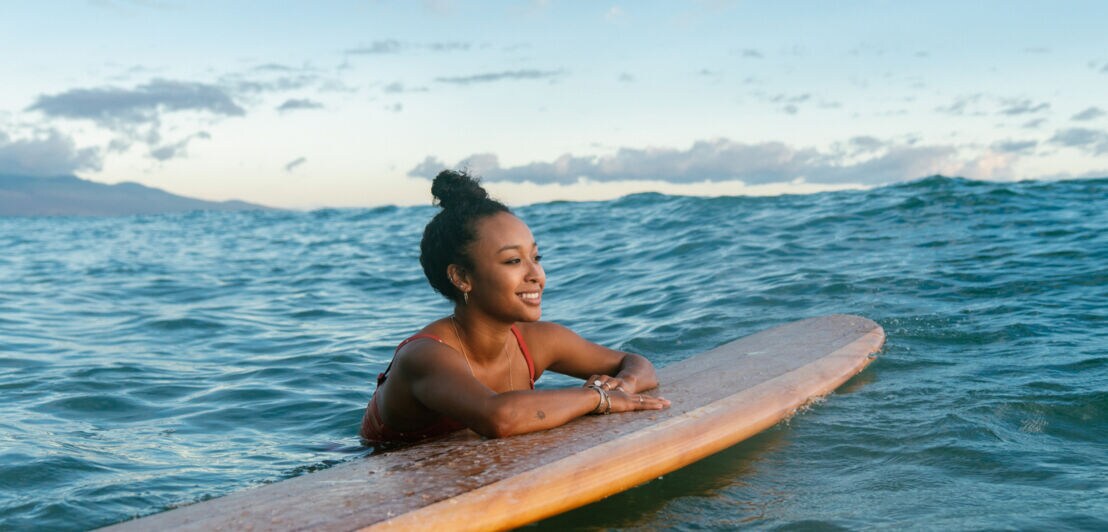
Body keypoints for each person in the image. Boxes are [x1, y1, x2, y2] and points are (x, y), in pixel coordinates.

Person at [360, 170, 669, 444]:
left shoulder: (536, 340)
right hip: (378, 480)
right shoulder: (424, 356)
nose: (536, 275)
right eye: (513, 261)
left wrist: (624, 385)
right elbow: (500, 418)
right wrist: (599, 398)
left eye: (536, 258)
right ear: (462, 277)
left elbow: (637, 364)